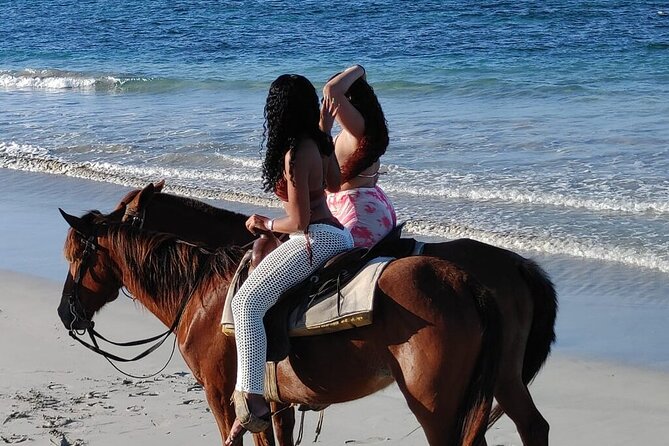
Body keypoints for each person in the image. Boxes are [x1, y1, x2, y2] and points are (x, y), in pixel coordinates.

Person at [224, 74, 354, 445]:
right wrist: (325, 133)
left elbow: (299, 221)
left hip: (317, 238)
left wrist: (262, 222)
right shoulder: (315, 144)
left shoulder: (295, 153)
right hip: (339, 234)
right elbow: (333, 185)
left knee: (247, 302)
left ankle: (252, 404)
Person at [321, 64, 397, 248]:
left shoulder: (358, 133)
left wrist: (358, 69)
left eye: (329, 102)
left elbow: (331, 90)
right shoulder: (356, 133)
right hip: (370, 207)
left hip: (358, 216)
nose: (327, 105)